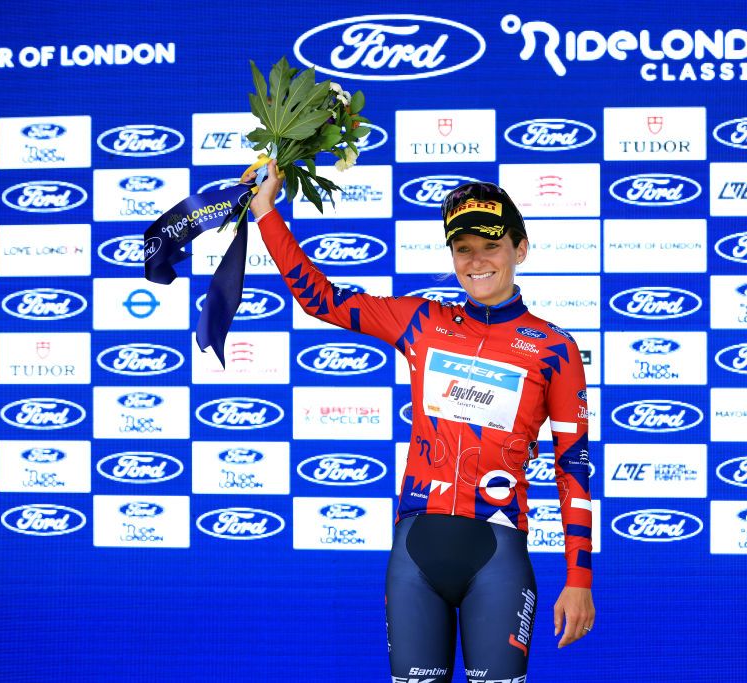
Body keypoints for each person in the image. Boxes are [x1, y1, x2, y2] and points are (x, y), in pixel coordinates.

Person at [247, 161, 595, 683]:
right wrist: (265, 211)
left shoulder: (554, 348)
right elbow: (320, 300)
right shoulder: (421, 321)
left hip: (497, 555)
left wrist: (579, 577)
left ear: (520, 250)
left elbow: (573, 468)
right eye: (463, 249)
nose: (476, 261)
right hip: (415, 552)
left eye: (491, 246)